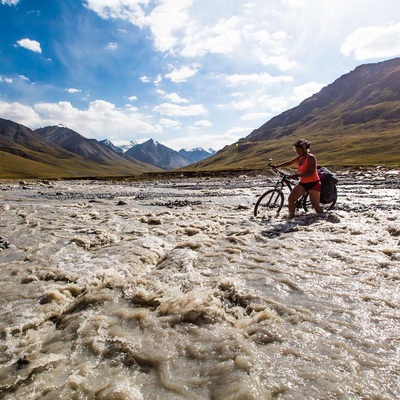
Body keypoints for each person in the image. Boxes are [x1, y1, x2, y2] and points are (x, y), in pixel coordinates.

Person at [272, 139, 322, 218]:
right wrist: (277, 166)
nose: (297, 152)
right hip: (303, 183)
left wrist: (297, 175)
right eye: (296, 150)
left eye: (298, 150)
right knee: (291, 200)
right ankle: (290, 218)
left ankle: (324, 220)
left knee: (315, 205)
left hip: (313, 183)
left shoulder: (311, 157)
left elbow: (311, 173)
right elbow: (289, 162)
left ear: (305, 149)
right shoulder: (299, 157)